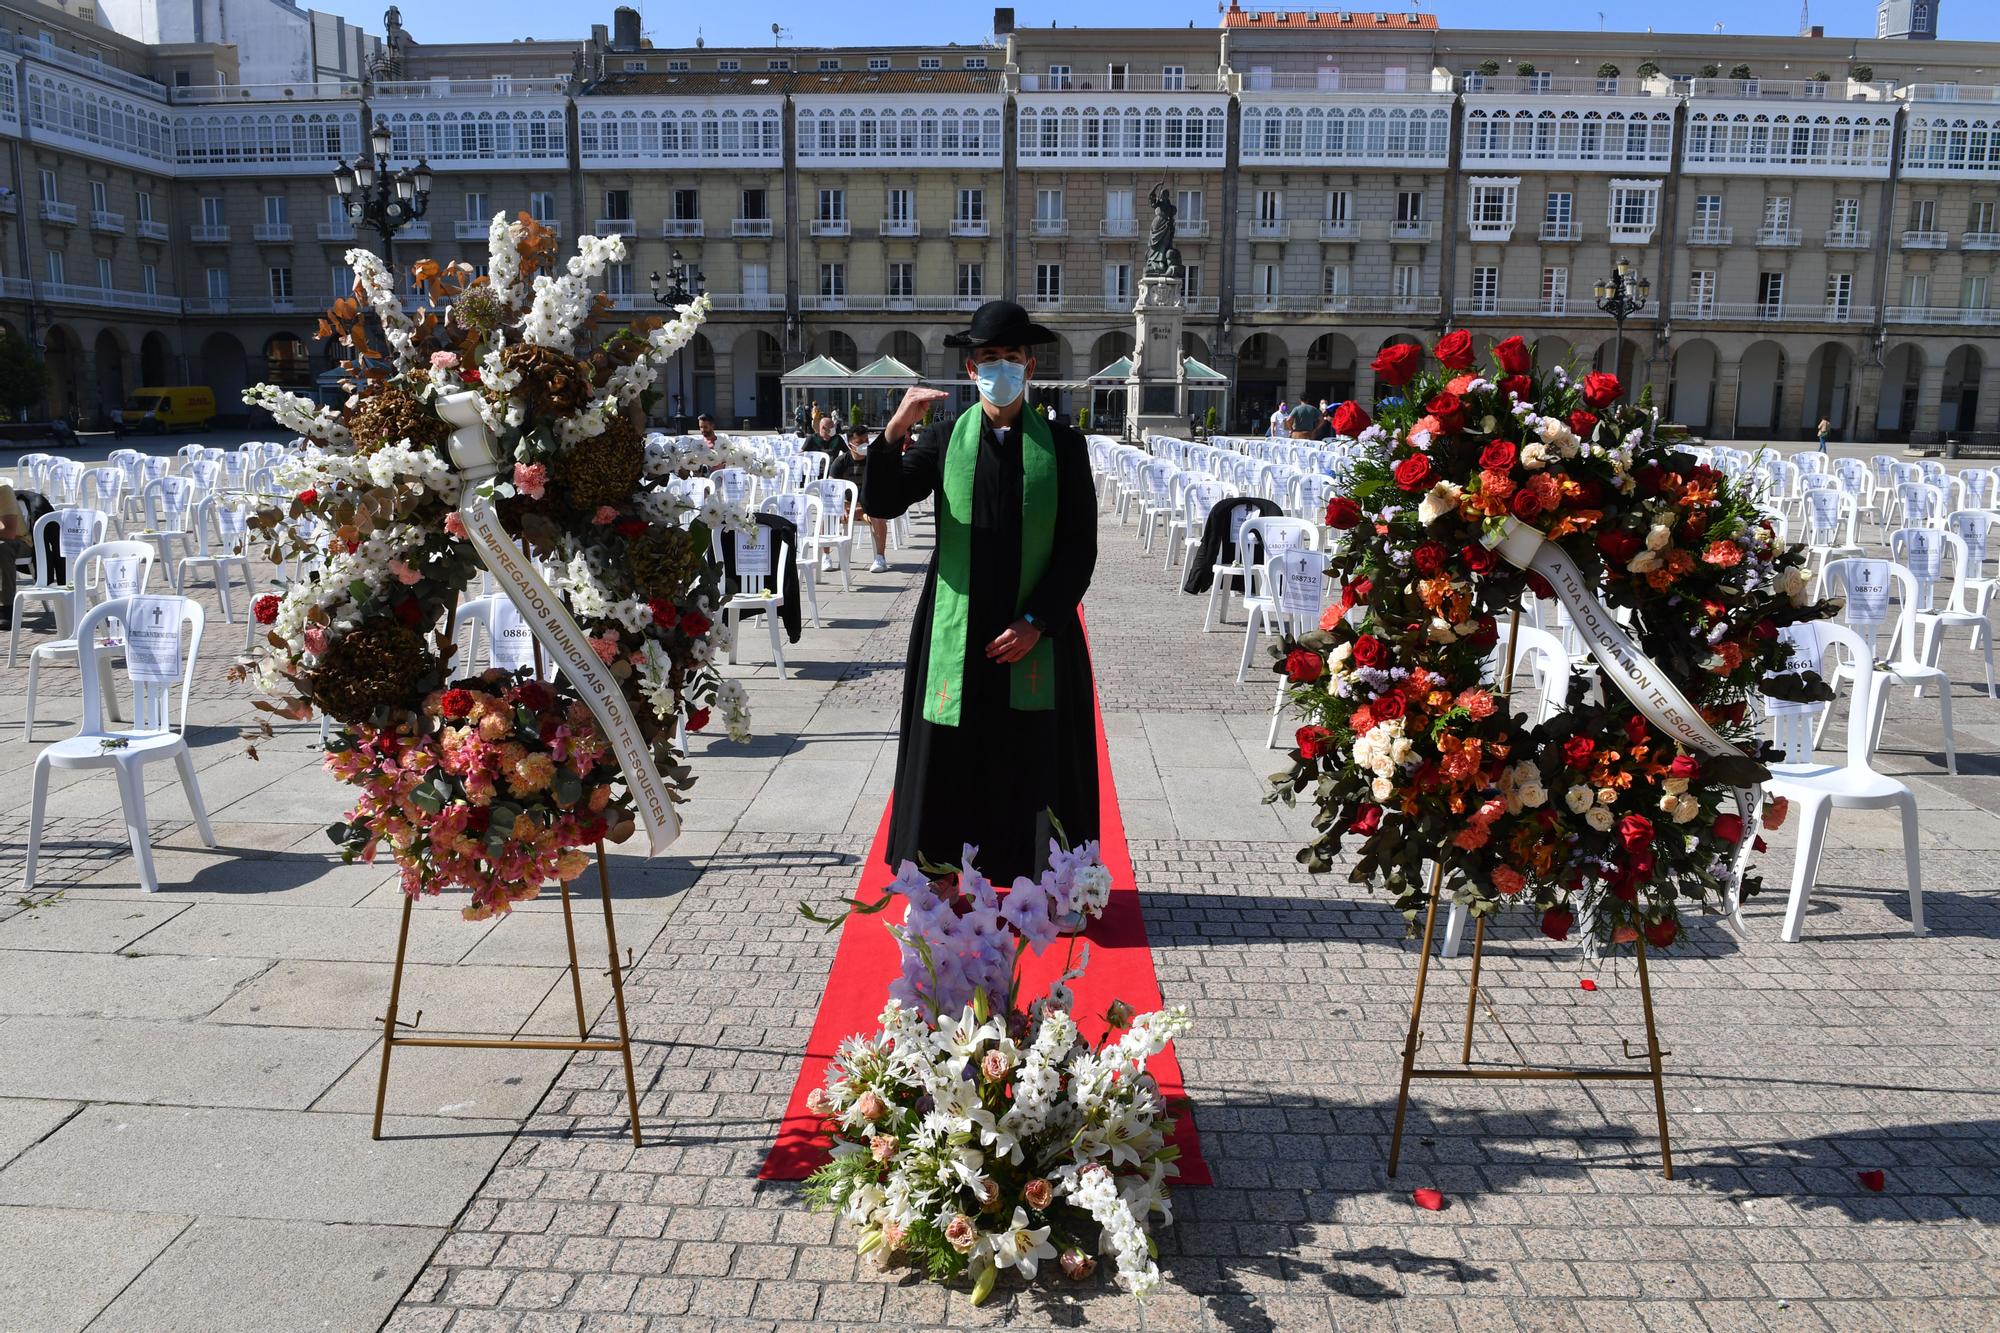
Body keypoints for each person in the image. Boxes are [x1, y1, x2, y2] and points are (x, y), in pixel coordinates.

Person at [863, 299, 1099, 881]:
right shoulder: (943, 440)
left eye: (1011, 358)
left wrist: (1038, 620)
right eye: (988, 358)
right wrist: (894, 432)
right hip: (957, 628)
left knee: (1036, 754)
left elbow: (1079, 547)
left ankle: (1049, 877)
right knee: (951, 751)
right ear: (971, 370)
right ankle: (939, 874)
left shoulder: (1064, 446)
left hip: (1034, 632)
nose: (1000, 369)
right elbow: (883, 502)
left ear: (1030, 366)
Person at [829, 421, 891, 573]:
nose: (864, 445)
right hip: (846, 507)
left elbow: (880, 489)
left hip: (867, 507)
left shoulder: (873, 461)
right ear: (850, 444)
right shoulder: (841, 462)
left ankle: (880, 557)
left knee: (878, 517)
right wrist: (841, 507)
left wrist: (861, 508)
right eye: (860, 442)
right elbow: (830, 491)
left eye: (866, 441)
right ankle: (826, 557)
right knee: (827, 516)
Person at [0, 479, 26, 631]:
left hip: (18, 540)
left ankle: (6, 609)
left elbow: (9, 532)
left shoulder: (3, 489)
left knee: (1, 548)